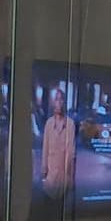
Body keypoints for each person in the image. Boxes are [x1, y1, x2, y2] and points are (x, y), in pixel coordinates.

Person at [39, 84, 75, 213]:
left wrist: (70, 179)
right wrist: (43, 174)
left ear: (65, 102)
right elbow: (45, 149)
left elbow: (71, 153)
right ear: (53, 102)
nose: (58, 102)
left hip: (63, 180)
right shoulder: (49, 123)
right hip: (50, 180)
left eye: (61, 99)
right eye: (56, 99)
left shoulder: (70, 124)